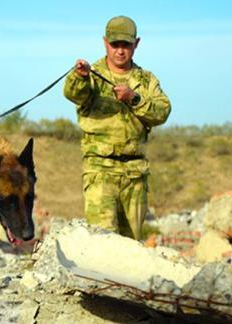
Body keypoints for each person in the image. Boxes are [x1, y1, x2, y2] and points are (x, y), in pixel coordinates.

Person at [63, 15, 171, 240]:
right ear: (105, 43)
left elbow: (162, 111)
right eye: (115, 45)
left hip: (135, 174)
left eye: (126, 45)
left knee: (130, 245)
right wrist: (79, 77)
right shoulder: (92, 76)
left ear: (136, 44)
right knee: (103, 241)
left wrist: (134, 98)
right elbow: (74, 94)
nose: (120, 51)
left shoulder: (146, 80)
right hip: (100, 171)